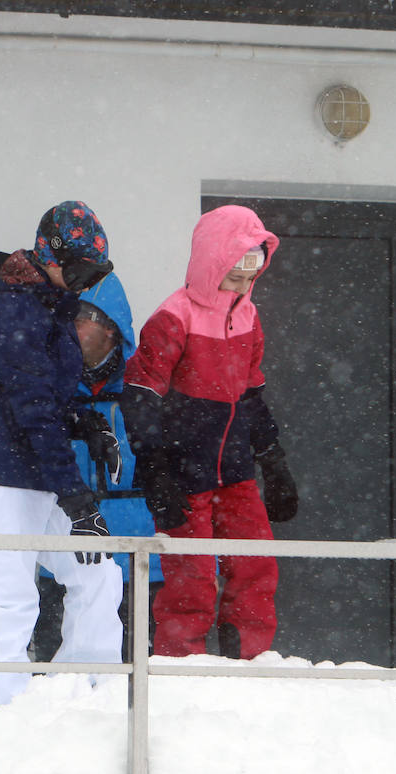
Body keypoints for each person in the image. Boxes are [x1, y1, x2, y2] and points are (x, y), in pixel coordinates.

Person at [0, 200, 124, 707]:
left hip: (37, 473)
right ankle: (2, 715)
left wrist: (86, 423)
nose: (88, 282)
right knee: (12, 597)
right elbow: (29, 406)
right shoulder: (12, 308)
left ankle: (88, 695)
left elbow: (49, 401)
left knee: (98, 573)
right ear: (53, 256)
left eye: (96, 273)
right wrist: (76, 496)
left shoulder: (52, 307)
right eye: (82, 269)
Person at [122, 205, 299, 659]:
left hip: (235, 473)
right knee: (191, 578)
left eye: (249, 278)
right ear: (210, 264)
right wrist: (154, 469)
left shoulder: (249, 317)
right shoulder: (173, 318)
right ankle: (180, 672)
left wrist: (273, 461)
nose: (241, 288)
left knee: (255, 566)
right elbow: (141, 396)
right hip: (183, 475)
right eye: (232, 276)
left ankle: (250, 661)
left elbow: (252, 395)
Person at [31, 272, 161, 662]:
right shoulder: (48, 391)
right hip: (65, 562)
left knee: (136, 684)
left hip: (142, 565)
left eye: (78, 318)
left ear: (110, 328)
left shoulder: (148, 389)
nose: (66, 328)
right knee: (57, 683)